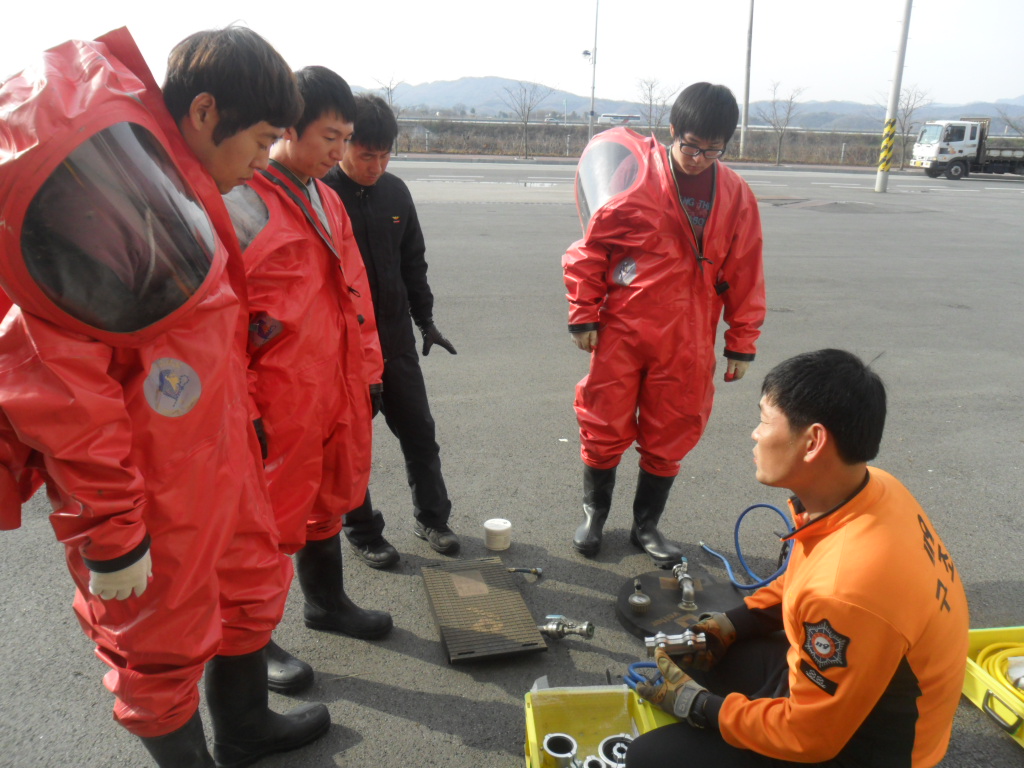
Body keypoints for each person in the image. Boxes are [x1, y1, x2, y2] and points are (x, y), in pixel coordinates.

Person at [0, 27, 332, 767]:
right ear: (206, 111)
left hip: (218, 458)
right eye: (262, 141)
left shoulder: (178, 190)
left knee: (248, 587)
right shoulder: (99, 203)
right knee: (157, 643)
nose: (264, 161)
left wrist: (248, 426)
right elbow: (63, 395)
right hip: (151, 488)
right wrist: (114, 532)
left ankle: (244, 726)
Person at [629, 349, 969, 768]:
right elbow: (806, 574)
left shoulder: (847, 588)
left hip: (876, 745)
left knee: (647, 758)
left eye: (764, 421)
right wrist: (733, 623)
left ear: (813, 442)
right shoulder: (875, 489)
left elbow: (809, 737)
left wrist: (699, 707)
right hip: (869, 687)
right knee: (700, 661)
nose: (755, 434)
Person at [223, 66, 393, 674]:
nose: (339, 152)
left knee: (327, 498)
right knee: (265, 520)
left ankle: (326, 603)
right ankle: (252, 642)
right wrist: (244, 406)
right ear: (288, 129)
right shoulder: (244, 201)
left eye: (346, 139)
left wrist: (369, 372)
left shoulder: (327, 199)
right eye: (329, 137)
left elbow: (356, 294)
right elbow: (223, 323)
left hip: (333, 384)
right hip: (277, 395)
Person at [564, 82, 766, 568]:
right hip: (623, 328)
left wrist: (741, 342)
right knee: (603, 418)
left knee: (673, 425)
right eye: (691, 146)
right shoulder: (634, 175)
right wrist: (584, 312)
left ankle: (646, 525)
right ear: (673, 131)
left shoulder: (735, 195)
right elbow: (592, 248)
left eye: (713, 150)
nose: (699, 159)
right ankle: (595, 514)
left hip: (688, 335)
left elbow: (745, 270)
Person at [323, 94, 459, 568]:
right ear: (344, 144)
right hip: (344, 350)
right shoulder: (322, 194)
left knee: (420, 433)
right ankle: (362, 531)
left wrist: (426, 320)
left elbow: (413, 263)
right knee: (351, 446)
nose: (376, 167)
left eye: (385, 156)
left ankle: (433, 519)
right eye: (366, 155)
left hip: (396, 340)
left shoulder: (396, 193)